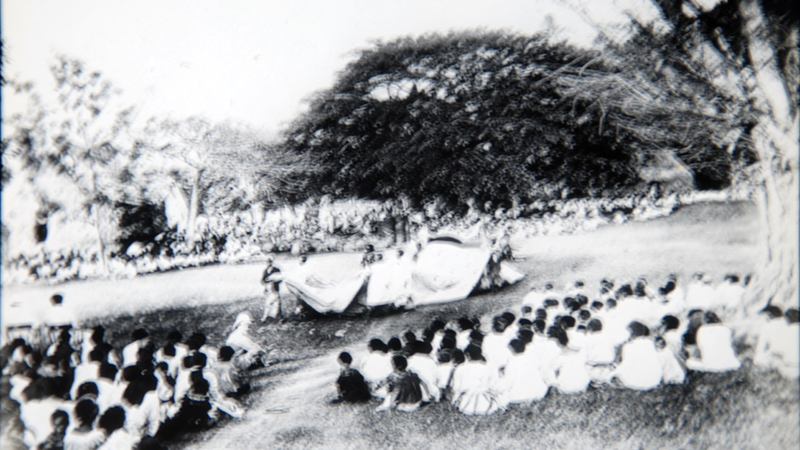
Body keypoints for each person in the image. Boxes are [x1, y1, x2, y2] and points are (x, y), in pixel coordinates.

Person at [260, 257, 283, 321]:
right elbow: (262, 280)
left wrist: (273, 280)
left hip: (274, 289)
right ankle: (270, 317)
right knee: (269, 303)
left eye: (269, 262)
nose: (268, 263)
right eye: (267, 262)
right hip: (268, 289)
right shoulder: (265, 270)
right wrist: (266, 281)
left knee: (276, 303)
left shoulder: (276, 270)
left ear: (272, 262)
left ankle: (276, 317)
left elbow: (280, 279)